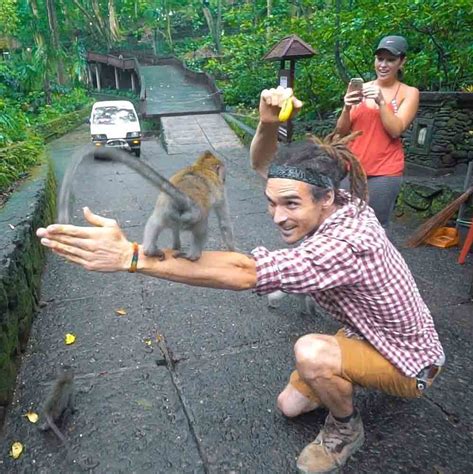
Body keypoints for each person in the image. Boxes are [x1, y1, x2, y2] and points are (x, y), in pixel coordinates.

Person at [37, 88, 444, 473]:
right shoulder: (337, 197)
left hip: (409, 360)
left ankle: (345, 428)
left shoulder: (346, 244)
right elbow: (264, 165)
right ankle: (343, 373)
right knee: (288, 406)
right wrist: (267, 124)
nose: (277, 216)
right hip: (364, 329)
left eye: (291, 205)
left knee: (311, 352)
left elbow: (246, 272)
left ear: (326, 199)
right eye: (272, 202)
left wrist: (132, 256)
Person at [335, 35, 420, 231]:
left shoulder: (409, 92)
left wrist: (382, 102)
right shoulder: (363, 89)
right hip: (352, 168)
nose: (383, 64)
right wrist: (346, 107)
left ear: (402, 62)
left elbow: (396, 130)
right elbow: (341, 132)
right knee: (342, 223)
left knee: (373, 227)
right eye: (380, 59)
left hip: (384, 171)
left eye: (390, 60)